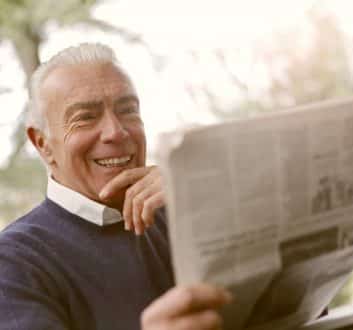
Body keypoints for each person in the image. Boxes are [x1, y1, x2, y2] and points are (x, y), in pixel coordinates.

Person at [0, 43, 232, 330]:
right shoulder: (15, 261)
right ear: (43, 144)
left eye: (128, 110)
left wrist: (194, 194)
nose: (116, 131)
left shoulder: (183, 212)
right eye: (85, 117)